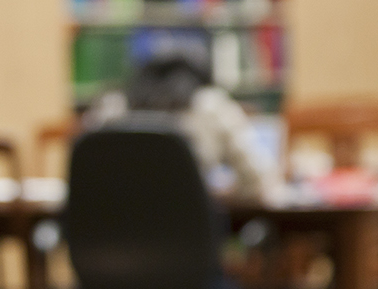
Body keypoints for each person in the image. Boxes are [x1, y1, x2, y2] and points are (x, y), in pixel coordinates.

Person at [82, 49, 267, 203]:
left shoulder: (111, 109)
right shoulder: (210, 107)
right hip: (191, 235)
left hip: (112, 238)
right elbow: (258, 180)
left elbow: (83, 181)